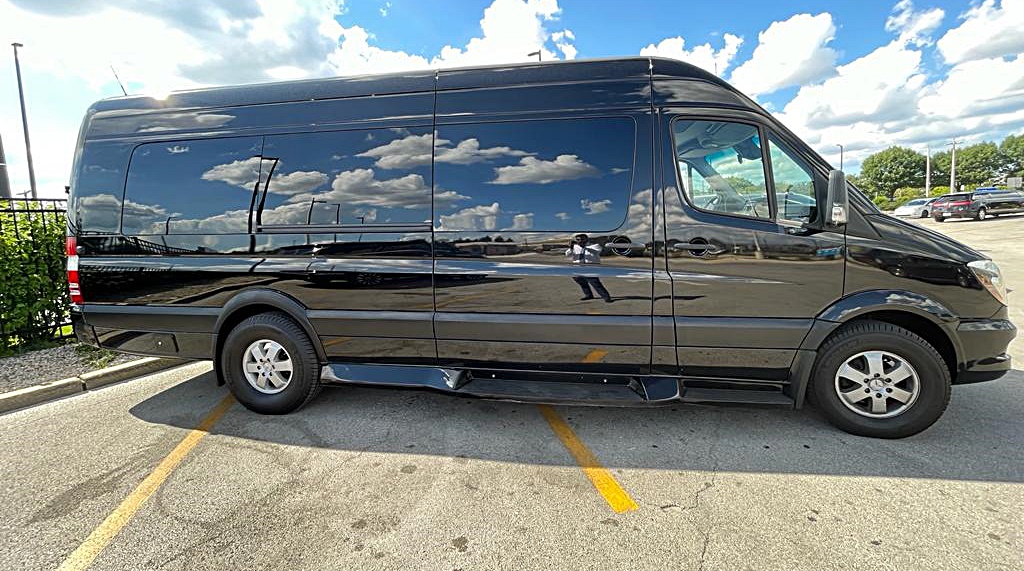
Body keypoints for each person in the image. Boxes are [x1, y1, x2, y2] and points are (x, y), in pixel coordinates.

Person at [565, 233, 612, 302]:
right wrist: (571, 247)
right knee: (582, 282)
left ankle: (606, 297)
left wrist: (584, 246)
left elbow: (597, 251)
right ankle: (588, 295)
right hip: (577, 268)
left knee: (595, 283)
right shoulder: (575, 247)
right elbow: (567, 254)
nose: (579, 241)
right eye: (578, 239)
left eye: (582, 239)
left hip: (590, 268)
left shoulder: (595, 246)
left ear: (586, 239)